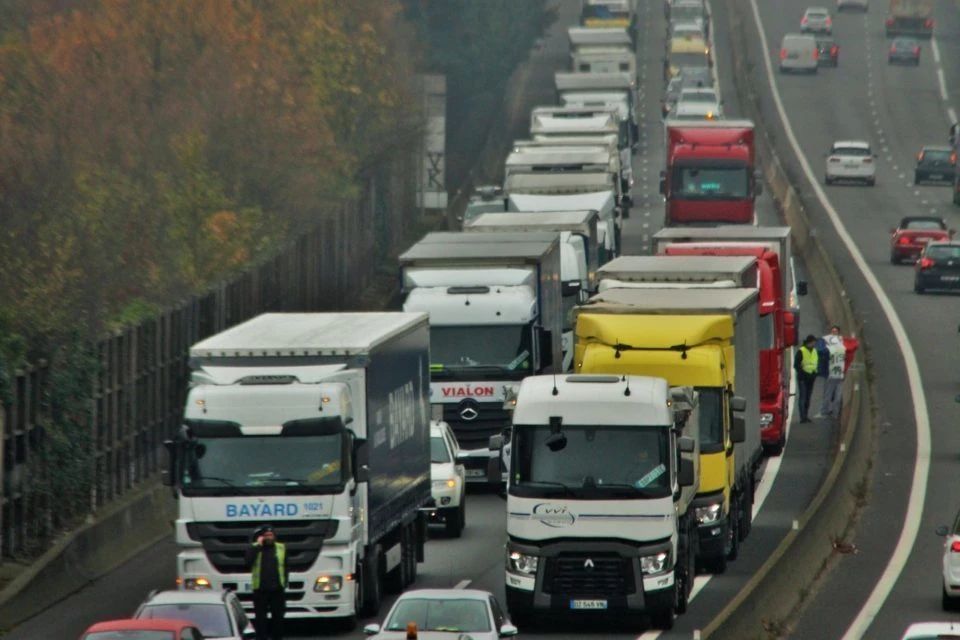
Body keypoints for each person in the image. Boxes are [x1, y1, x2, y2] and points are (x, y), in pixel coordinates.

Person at [245, 524, 287, 640]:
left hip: (277, 590)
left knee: (278, 618)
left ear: (274, 536)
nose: (269, 537)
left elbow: (286, 567)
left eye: (271, 535)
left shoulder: (281, 547)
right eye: (266, 535)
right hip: (260, 590)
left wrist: (284, 584)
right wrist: (258, 545)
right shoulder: (254, 547)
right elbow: (248, 562)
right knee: (260, 619)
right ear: (261, 537)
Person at [794, 334, 819, 423]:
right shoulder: (801, 351)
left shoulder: (815, 351)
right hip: (803, 378)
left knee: (808, 397)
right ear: (810, 342)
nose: (814, 344)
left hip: (811, 378)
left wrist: (815, 373)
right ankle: (802, 417)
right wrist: (804, 374)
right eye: (813, 342)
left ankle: (806, 415)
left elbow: (815, 363)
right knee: (803, 397)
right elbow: (796, 365)